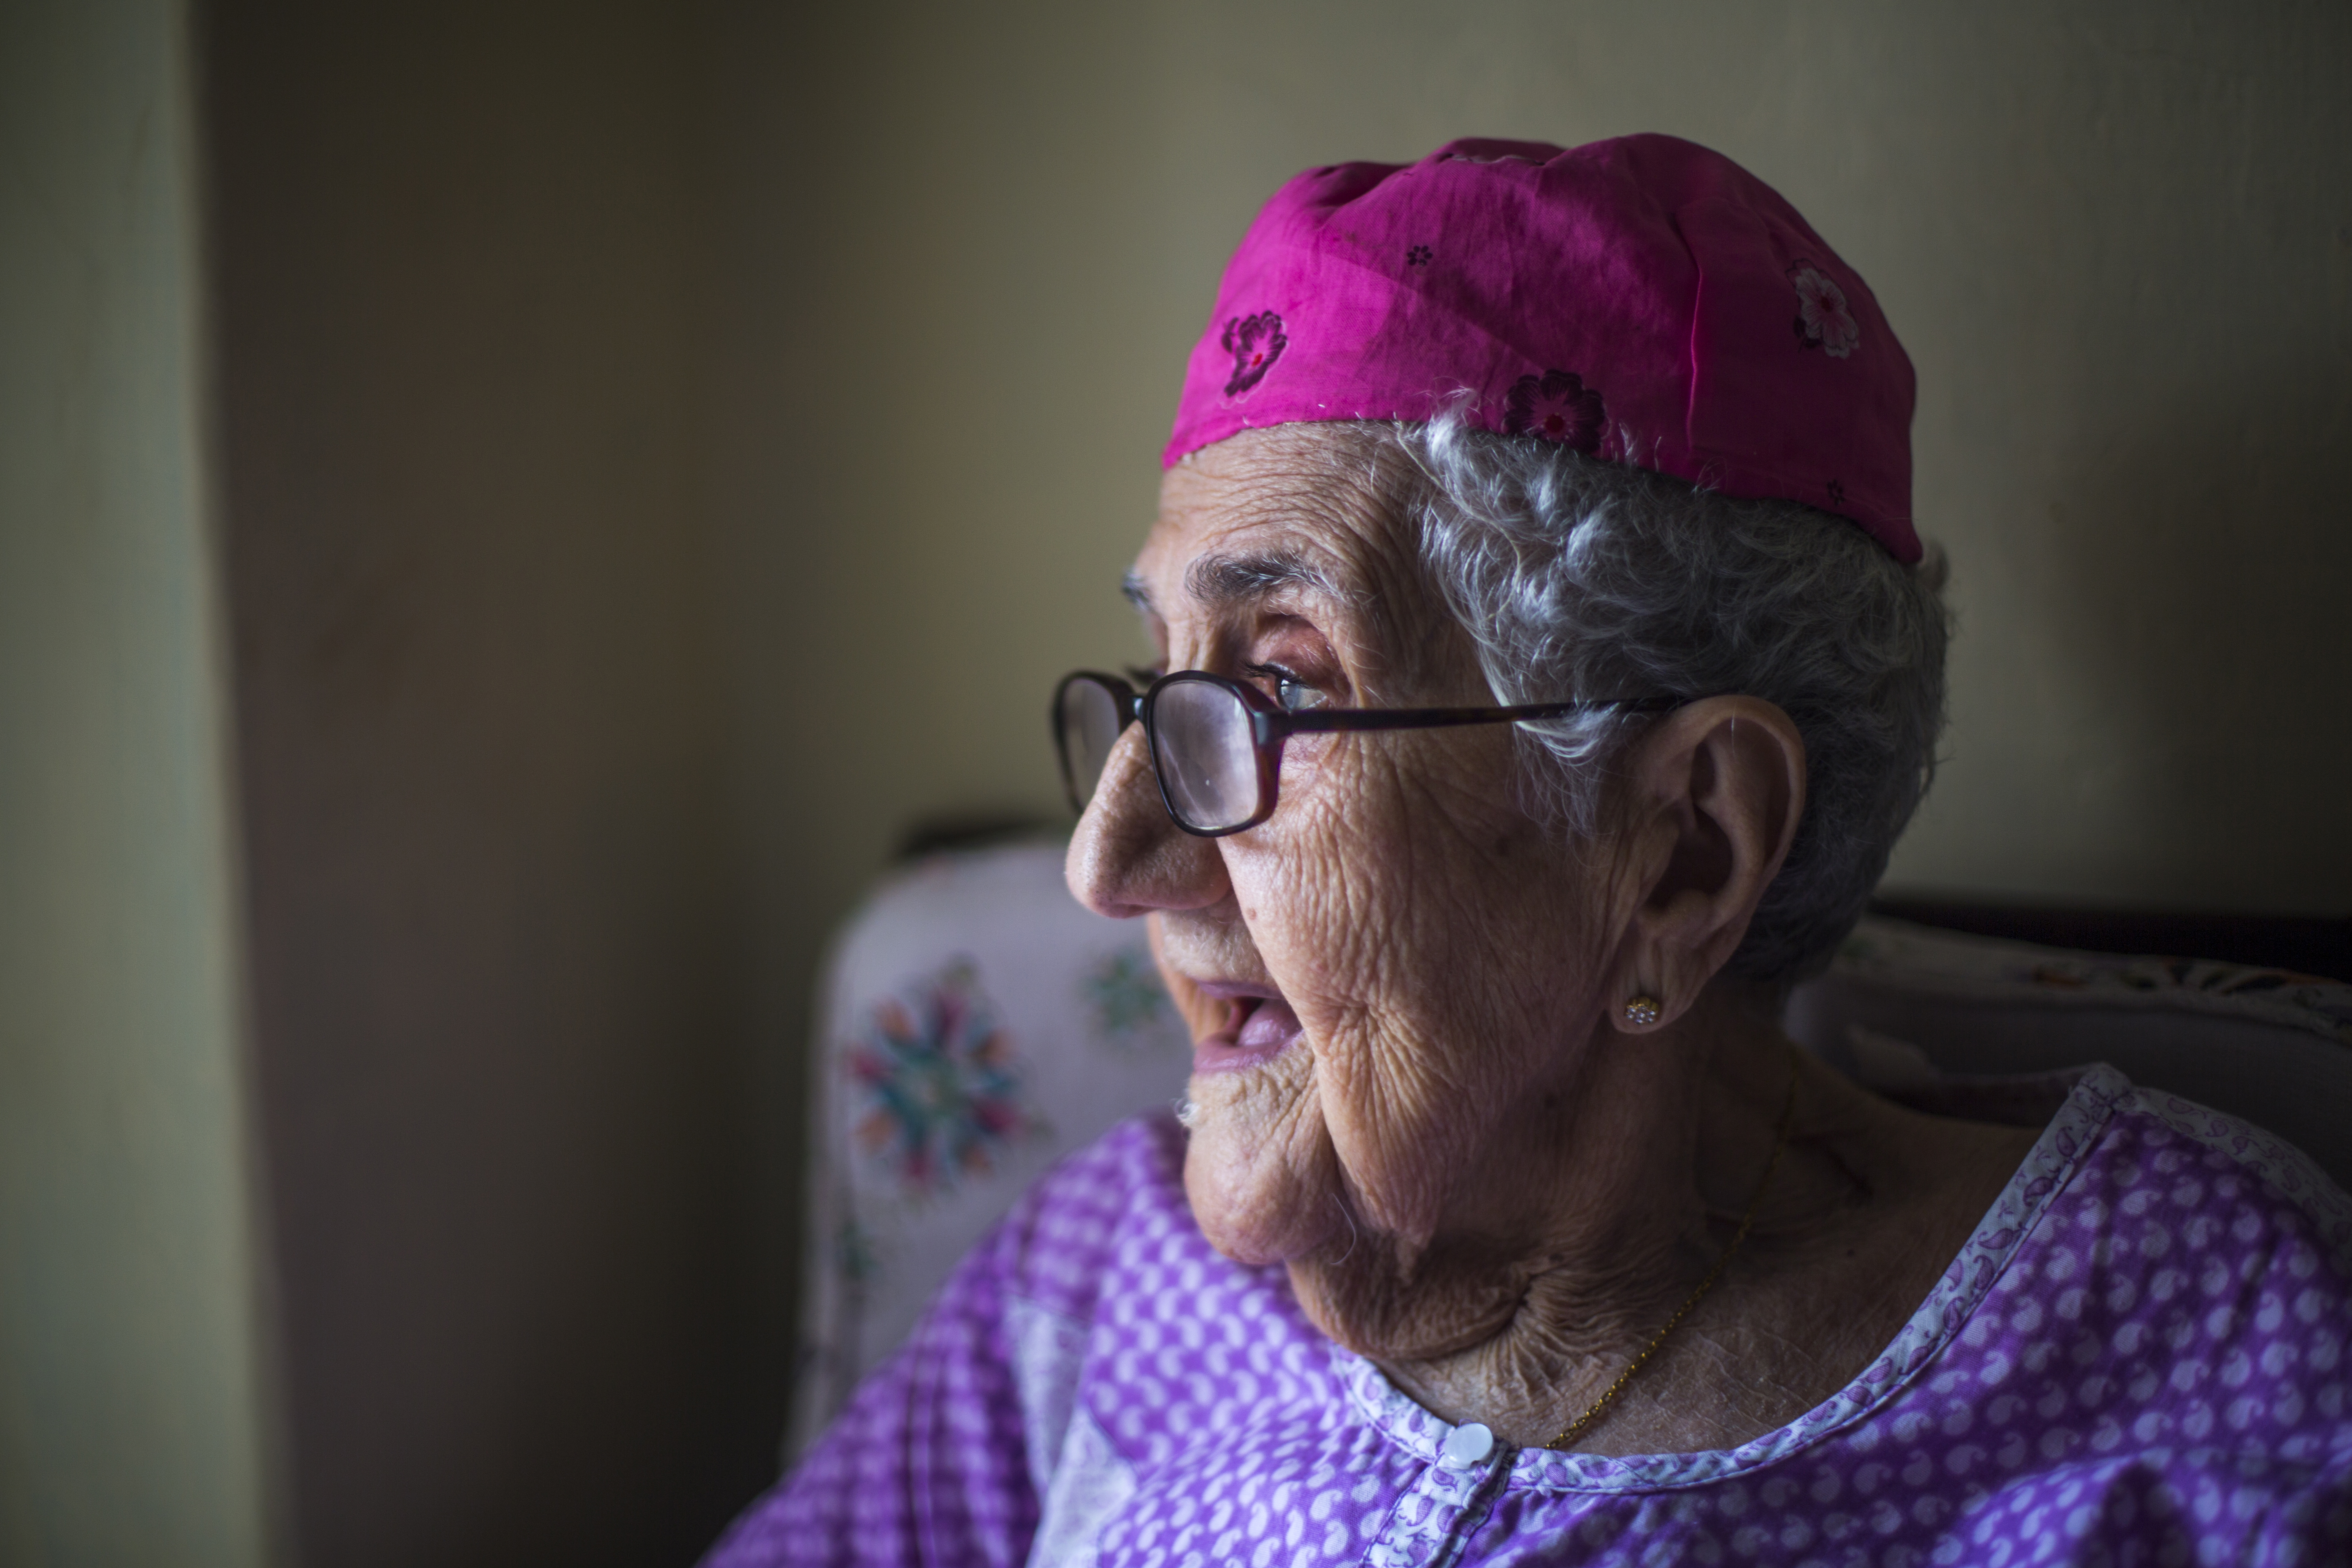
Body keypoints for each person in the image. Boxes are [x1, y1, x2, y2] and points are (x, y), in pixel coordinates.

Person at [706, 135, 2352, 1567]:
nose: (1114, 860)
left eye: (1278, 691)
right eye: (1154, 686)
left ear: (1683, 853)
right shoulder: (1097, 1276)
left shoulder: (2190, 1345)